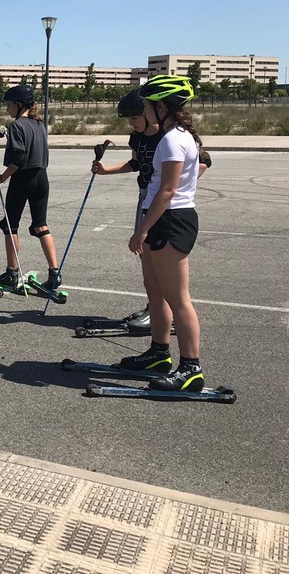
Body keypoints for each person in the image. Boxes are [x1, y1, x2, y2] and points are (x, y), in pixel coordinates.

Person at [91, 89, 211, 325]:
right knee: (146, 259)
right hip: (146, 199)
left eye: (135, 117)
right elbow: (136, 163)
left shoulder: (168, 137)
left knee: (159, 262)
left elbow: (204, 161)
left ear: (150, 113)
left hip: (166, 205)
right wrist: (107, 170)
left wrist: (179, 186)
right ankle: (155, 307)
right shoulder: (136, 138)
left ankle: (160, 311)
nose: (131, 123)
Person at [119, 75, 207, 391]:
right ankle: (159, 352)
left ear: (160, 106)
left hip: (170, 220)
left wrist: (141, 231)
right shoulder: (175, 135)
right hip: (161, 218)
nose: (142, 109)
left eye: (145, 105)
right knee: (155, 290)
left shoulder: (173, 139)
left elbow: (168, 190)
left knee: (178, 298)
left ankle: (190, 368)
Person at [0, 84, 60, 291]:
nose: (7, 109)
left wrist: (2, 177)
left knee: (10, 225)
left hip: (23, 178)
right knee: (40, 225)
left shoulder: (17, 126)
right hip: (41, 177)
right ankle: (54, 271)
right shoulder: (40, 125)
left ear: (19, 105)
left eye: (9, 105)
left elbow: (19, 157)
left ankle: (11, 272)